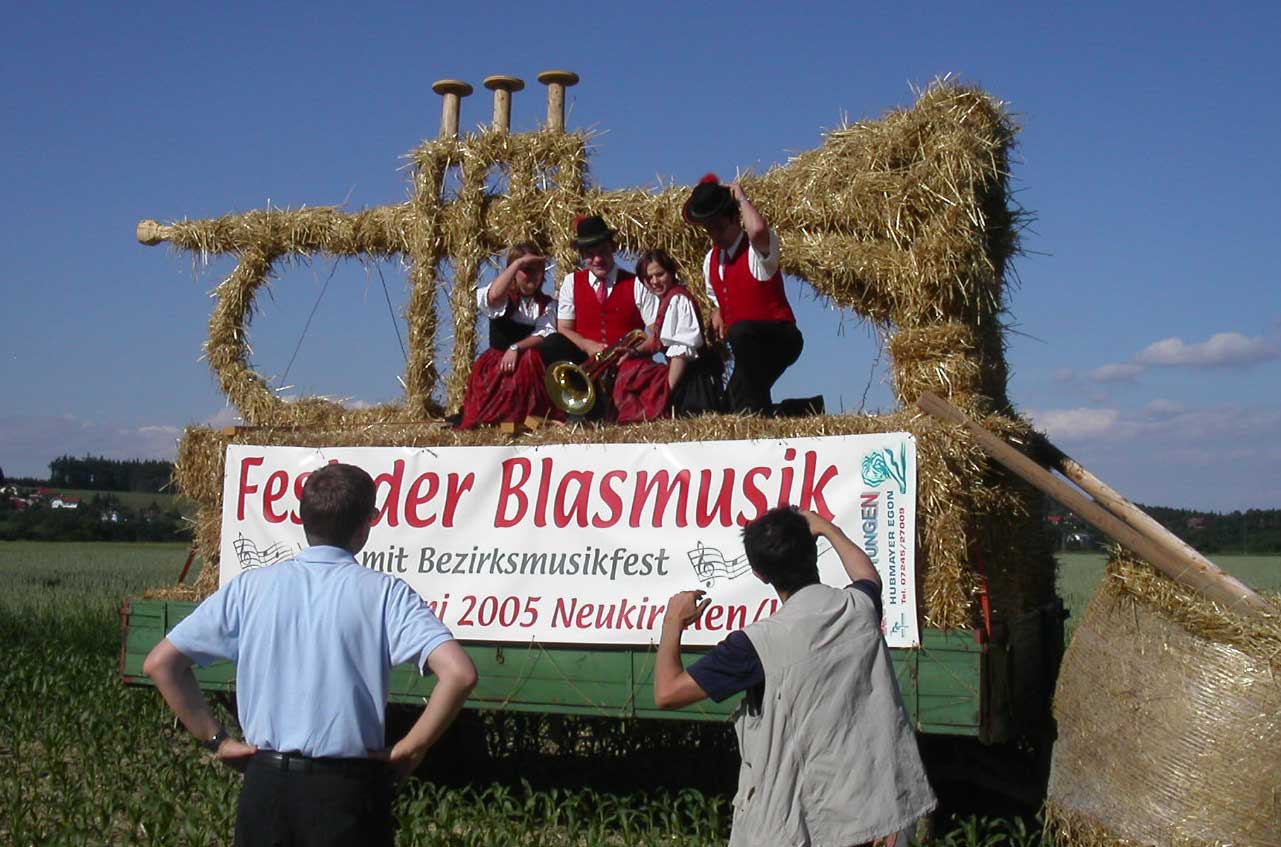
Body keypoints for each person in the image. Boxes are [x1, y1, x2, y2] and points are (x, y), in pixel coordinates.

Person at [143, 463, 478, 847]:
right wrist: (410, 748)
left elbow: (161, 663)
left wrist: (216, 740)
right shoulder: (386, 594)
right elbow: (459, 674)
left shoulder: (252, 587)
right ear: (367, 522)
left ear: (302, 518)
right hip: (347, 790)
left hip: (266, 787)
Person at [654, 506, 936, 847]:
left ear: (759, 574)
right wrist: (829, 529)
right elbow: (868, 576)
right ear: (813, 552)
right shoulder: (858, 609)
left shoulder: (755, 644)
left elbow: (667, 693)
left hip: (800, 821)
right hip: (869, 810)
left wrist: (673, 621)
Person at [683, 174, 813, 416]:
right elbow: (719, 295)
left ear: (735, 218)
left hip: (779, 338)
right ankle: (803, 410)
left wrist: (741, 198)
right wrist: (718, 309)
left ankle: (763, 412)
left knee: (741, 331)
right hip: (747, 350)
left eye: (719, 227)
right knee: (734, 406)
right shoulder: (711, 260)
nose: (714, 235)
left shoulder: (757, 248)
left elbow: (758, 229)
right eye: (708, 229)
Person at [539, 214, 659, 418]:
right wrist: (587, 345)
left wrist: (634, 352)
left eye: (602, 251)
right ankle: (577, 407)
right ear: (581, 254)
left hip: (625, 362)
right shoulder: (571, 282)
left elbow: (655, 330)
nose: (597, 260)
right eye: (589, 254)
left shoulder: (637, 282)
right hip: (586, 361)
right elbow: (564, 328)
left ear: (612, 247)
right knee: (552, 343)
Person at [614, 249, 723, 422]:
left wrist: (664, 394)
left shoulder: (678, 300)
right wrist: (634, 352)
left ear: (671, 273)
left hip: (692, 383)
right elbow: (658, 339)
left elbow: (680, 353)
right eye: (649, 278)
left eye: (660, 274)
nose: (654, 281)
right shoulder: (666, 300)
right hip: (683, 378)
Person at [458, 243, 558, 429]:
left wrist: (516, 347)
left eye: (537, 270)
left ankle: (532, 417)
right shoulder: (503, 298)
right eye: (525, 270)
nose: (532, 276)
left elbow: (544, 334)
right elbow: (494, 295)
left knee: (532, 358)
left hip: (528, 364)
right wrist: (518, 262)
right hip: (499, 365)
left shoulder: (547, 304)